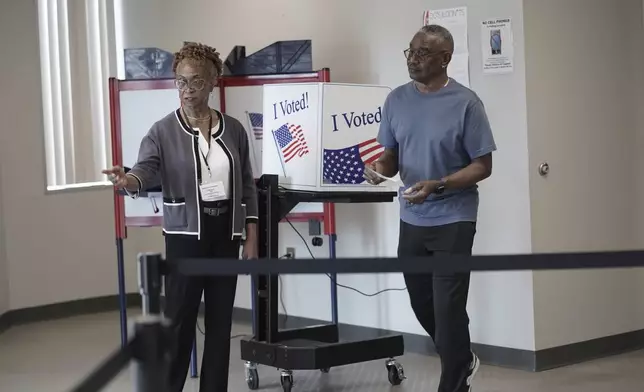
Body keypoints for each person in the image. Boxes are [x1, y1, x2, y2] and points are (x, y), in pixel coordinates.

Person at [103, 41, 258, 392]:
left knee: (220, 325)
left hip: (225, 234)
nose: (188, 91)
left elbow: (246, 184)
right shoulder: (162, 130)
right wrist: (128, 180)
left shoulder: (233, 129)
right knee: (179, 322)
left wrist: (251, 233)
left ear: (214, 82)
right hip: (186, 237)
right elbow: (147, 168)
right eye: (181, 82)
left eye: (197, 82)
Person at [365, 25, 496, 392]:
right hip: (412, 216)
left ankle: (453, 381)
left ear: (445, 59)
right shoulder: (396, 100)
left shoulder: (466, 102)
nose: (413, 58)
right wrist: (379, 169)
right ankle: (462, 358)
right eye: (410, 51)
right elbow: (391, 157)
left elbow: (482, 166)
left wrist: (439, 184)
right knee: (423, 303)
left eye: (423, 53)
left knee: (448, 308)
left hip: (454, 216)